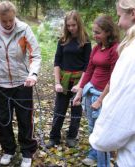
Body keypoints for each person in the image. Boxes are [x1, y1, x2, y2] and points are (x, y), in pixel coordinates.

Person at [0, 1, 41, 167]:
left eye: (11, 20)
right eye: (4, 21)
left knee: (25, 119)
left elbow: (35, 55)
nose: (8, 24)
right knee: (3, 120)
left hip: (23, 83)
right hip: (0, 85)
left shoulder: (24, 29)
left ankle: (27, 152)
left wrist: (33, 74)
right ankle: (8, 150)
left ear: (14, 17)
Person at [89, 0, 135, 166]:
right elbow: (89, 69)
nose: (119, 22)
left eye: (120, 16)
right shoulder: (97, 48)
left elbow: (122, 100)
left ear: (133, 14)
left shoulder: (129, 52)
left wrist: (100, 138)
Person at [73, 15, 120, 166]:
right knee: (91, 125)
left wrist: (100, 100)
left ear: (108, 32)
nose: (94, 35)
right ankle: (95, 151)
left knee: (102, 128)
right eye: (93, 32)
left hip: (103, 95)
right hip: (90, 91)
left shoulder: (115, 49)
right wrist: (80, 92)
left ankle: (103, 158)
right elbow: (88, 70)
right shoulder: (96, 48)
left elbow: (114, 77)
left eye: (98, 32)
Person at [45, 10, 91, 149]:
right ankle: (54, 137)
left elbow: (87, 65)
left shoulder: (85, 40)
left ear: (79, 24)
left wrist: (81, 85)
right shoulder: (63, 39)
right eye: (68, 25)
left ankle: (72, 136)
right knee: (59, 109)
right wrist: (57, 82)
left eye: (74, 25)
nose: (71, 28)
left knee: (76, 110)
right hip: (64, 80)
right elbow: (57, 61)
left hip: (78, 80)